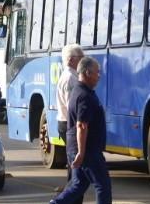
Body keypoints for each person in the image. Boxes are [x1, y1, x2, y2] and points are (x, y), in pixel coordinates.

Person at [51, 57, 111, 204]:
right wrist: (81, 153)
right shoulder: (84, 95)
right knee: (103, 185)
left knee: (78, 186)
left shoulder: (81, 91)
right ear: (87, 73)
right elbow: (81, 126)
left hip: (79, 148)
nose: (99, 76)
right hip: (87, 150)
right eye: (97, 72)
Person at [56, 44, 84, 191]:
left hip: (68, 123)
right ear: (72, 60)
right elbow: (72, 106)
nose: (83, 60)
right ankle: (70, 194)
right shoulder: (70, 79)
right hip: (69, 123)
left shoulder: (72, 76)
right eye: (81, 58)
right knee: (75, 164)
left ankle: (71, 191)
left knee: (73, 164)